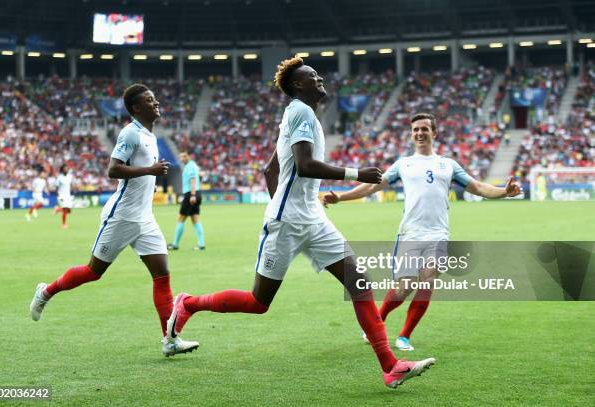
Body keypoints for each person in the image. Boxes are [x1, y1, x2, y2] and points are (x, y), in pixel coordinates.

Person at [167, 57, 435, 389]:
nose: (320, 78)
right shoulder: (300, 111)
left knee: (359, 282)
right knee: (258, 303)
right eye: (312, 76)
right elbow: (306, 165)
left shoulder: (299, 116)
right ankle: (188, 304)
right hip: (288, 223)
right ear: (297, 85)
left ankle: (391, 368)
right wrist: (355, 174)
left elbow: (271, 170)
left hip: (313, 219)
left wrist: (287, 203)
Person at [323, 112, 522, 351]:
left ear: (434, 133)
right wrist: (342, 198)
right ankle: (376, 323)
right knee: (404, 287)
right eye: (415, 129)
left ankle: (404, 336)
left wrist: (503, 192)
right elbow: (371, 187)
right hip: (410, 234)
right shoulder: (403, 164)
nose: (419, 133)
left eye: (424, 129)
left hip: (438, 234)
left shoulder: (448, 165)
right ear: (411, 133)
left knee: (427, 283)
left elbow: (478, 187)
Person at [29, 83, 199, 357]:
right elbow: (113, 169)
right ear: (136, 108)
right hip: (120, 217)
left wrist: (148, 181)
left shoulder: (150, 135)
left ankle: (169, 340)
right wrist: (150, 170)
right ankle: (46, 292)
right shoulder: (130, 133)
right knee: (93, 272)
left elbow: (137, 174)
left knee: (162, 276)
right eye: (149, 100)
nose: (156, 103)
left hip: (144, 218)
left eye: (155, 99)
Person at [167, 151, 205, 251]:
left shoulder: (190, 166)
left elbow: (193, 180)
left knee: (181, 218)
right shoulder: (193, 165)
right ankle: (201, 245)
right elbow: (198, 175)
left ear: (189, 156)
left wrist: (192, 195)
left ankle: (175, 244)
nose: (182, 159)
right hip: (195, 193)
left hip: (191, 194)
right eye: (181, 157)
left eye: (184, 156)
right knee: (195, 218)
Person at [54, 164, 73, 229]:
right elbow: (56, 187)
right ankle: (64, 224)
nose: (66, 169)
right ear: (62, 170)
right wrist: (58, 195)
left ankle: (58, 209)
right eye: (65, 168)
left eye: (67, 168)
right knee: (65, 209)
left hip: (68, 195)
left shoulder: (70, 176)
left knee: (69, 210)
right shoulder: (59, 177)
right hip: (61, 195)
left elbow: (71, 185)